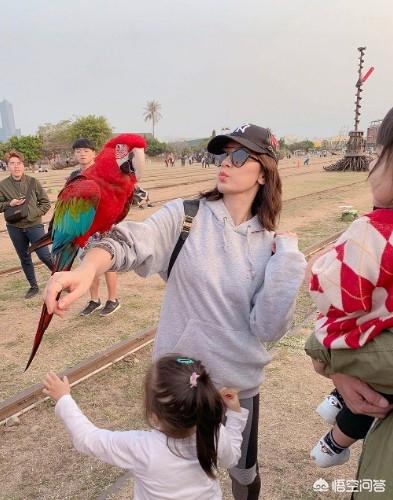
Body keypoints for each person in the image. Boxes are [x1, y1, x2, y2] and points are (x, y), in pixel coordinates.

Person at [43, 123, 306, 499]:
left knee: (242, 472)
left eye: (240, 155)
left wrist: (288, 262)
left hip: (236, 387)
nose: (226, 163)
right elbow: (131, 240)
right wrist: (87, 269)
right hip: (180, 386)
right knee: (170, 473)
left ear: (264, 173)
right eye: (222, 154)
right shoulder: (186, 216)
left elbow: (268, 327)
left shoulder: (272, 245)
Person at [304, 107, 393, 489]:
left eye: (381, 152)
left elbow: (331, 290)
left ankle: (334, 434)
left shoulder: (373, 232)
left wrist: (328, 354)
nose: (374, 163)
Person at [42, 355, 249, 500]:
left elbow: (87, 438)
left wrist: (64, 399)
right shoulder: (214, 434)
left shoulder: (141, 448)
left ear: (153, 415)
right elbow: (232, 459)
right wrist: (236, 415)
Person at [69, 138, 121, 317]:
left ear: (93, 153)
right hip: (84, 227)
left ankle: (113, 300)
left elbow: (116, 196)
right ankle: (94, 300)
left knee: (108, 261)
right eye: (78, 151)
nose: (82, 154)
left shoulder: (104, 173)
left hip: (104, 226)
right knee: (87, 262)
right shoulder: (74, 176)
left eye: (85, 150)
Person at [0, 150, 52, 298]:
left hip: (34, 226)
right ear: (7, 166)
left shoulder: (33, 182)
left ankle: (62, 279)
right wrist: (10, 203)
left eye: (19, 163)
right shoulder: (2, 185)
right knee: (24, 257)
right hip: (14, 228)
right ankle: (33, 286)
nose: (16, 166)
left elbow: (46, 203)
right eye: (12, 163)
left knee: (45, 255)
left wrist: (33, 214)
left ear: (23, 165)